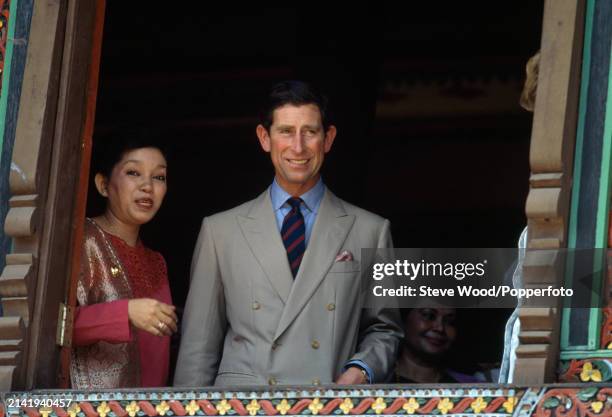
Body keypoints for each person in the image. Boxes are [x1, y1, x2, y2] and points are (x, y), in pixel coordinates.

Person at [174, 80, 403, 386]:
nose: (298, 147)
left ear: (328, 138)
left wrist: (361, 370)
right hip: (244, 408)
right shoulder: (220, 232)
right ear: (264, 138)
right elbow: (197, 348)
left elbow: (385, 328)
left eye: (310, 131)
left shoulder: (371, 230)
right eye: (285, 131)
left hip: (328, 404)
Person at [71, 131, 178, 388]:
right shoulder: (81, 241)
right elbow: (52, 327)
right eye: (133, 172)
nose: (147, 186)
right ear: (103, 185)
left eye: (159, 177)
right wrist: (126, 312)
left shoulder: (156, 262)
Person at [395, 308, 479, 383]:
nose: (440, 328)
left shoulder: (473, 389)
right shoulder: (383, 377)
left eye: (450, 322)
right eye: (428, 315)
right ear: (404, 319)